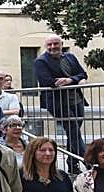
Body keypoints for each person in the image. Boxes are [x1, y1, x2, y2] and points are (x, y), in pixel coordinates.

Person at [34, 34, 88, 173]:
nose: (53, 47)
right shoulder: (41, 61)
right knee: (74, 130)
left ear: (61, 44)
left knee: (73, 133)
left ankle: (72, 164)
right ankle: (90, 162)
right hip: (57, 102)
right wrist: (69, 80)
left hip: (76, 99)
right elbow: (46, 81)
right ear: (46, 46)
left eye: (55, 44)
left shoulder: (70, 57)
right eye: (49, 44)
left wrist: (70, 80)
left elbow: (83, 74)